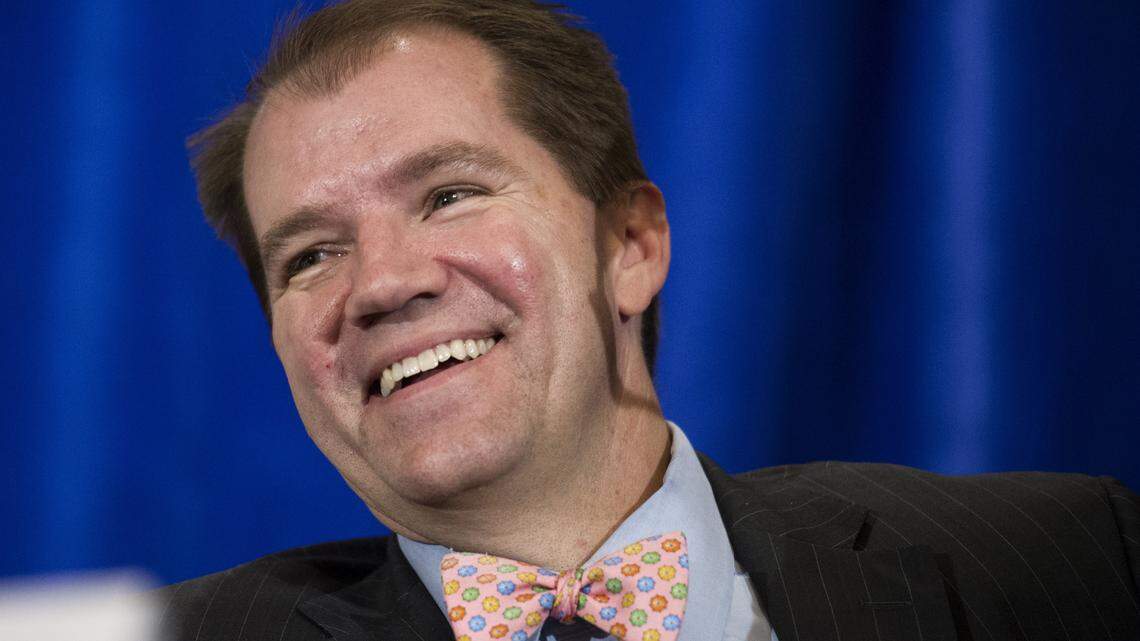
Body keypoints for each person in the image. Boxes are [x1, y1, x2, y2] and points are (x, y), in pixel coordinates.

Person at [158, 1, 1140, 640]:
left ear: (630, 243)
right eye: (310, 255)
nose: (379, 283)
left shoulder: (1074, 560)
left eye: (450, 194)